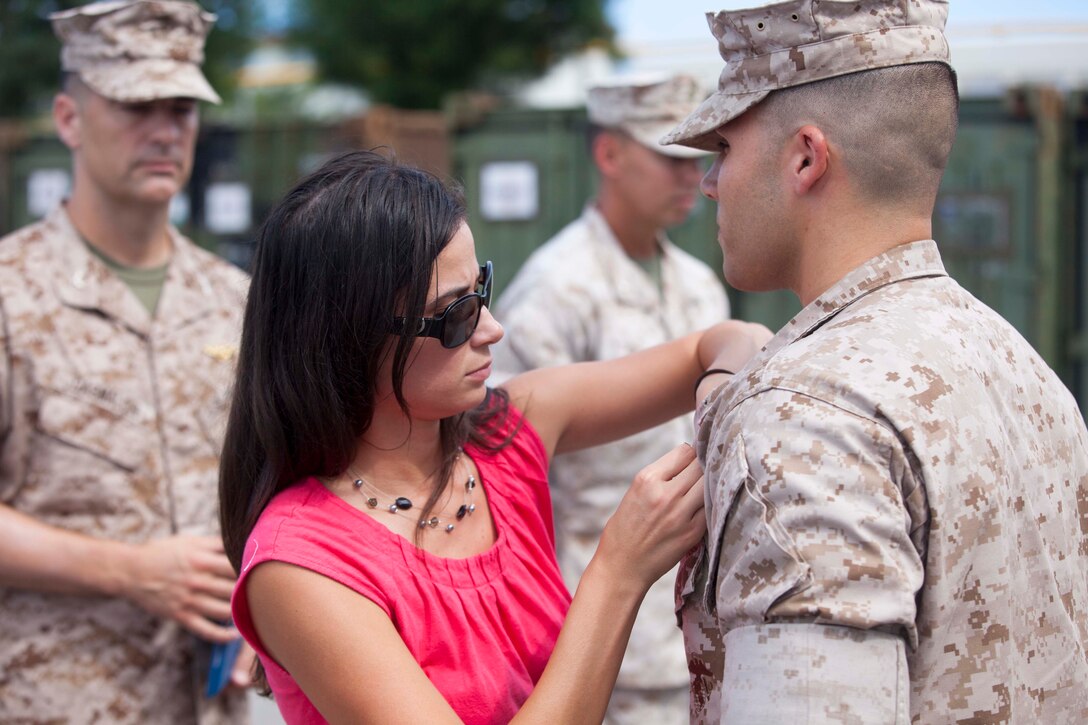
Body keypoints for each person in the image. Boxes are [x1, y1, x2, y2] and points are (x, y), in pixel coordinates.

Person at [219, 149, 770, 724]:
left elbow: (733, 337)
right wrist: (619, 570)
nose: (491, 328)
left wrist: (716, 398)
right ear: (347, 340)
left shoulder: (500, 437)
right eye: (454, 315)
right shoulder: (302, 564)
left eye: (479, 290)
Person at [661, 0, 1088, 722]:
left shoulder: (804, 414)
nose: (709, 182)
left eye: (725, 150)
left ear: (805, 157)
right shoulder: (1023, 368)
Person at [0, 2, 251, 723]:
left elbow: (283, 481)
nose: (165, 130)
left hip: (210, 702)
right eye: (136, 104)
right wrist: (127, 569)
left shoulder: (235, 300)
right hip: (53, 697)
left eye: (181, 107)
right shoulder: (12, 295)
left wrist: (272, 612)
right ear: (69, 118)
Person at [490, 72, 728, 722]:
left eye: (699, 157)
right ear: (610, 154)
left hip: (700, 624)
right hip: (600, 630)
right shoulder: (557, 287)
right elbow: (501, 474)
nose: (691, 176)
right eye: (670, 156)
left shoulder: (700, 284)